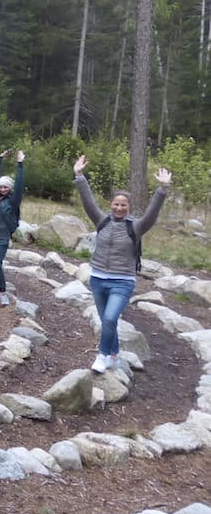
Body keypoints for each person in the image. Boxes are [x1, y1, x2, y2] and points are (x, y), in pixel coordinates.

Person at [74, 155, 171, 373]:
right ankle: (115, 354)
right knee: (107, 322)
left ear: (129, 207)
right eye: (116, 204)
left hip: (122, 281)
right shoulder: (102, 220)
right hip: (98, 279)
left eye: (123, 205)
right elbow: (88, 202)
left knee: (109, 318)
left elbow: (152, 214)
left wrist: (162, 189)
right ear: (111, 205)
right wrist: (79, 176)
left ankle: (102, 356)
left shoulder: (136, 227)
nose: (119, 208)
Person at [0, 149, 26, 306]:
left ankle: (3, 292)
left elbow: (20, 185)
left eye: (5, 187)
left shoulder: (13, 202)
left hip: (1, 238)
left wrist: (20, 164)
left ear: (10, 189)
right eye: (0, 187)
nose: (1, 189)